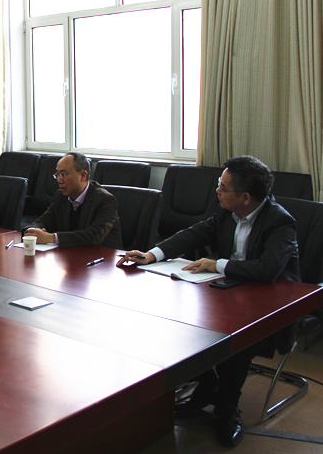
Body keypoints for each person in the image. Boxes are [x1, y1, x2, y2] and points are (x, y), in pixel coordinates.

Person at [117, 155, 299, 448]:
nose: (217, 191)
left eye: (223, 187)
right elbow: (194, 234)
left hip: (269, 309)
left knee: (234, 345)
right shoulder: (226, 212)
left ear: (245, 197)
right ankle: (209, 386)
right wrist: (153, 254)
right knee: (178, 325)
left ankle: (228, 411)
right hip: (228, 295)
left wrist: (217, 265)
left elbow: (268, 270)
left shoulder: (280, 222)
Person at [24, 152, 122, 248]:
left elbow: (95, 235)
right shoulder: (61, 196)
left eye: (64, 174)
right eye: (57, 175)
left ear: (83, 175)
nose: (59, 180)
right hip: (71, 254)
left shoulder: (105, 200)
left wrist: (51, 238)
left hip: (102, 255)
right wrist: (32, 231)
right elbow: (44, 220)